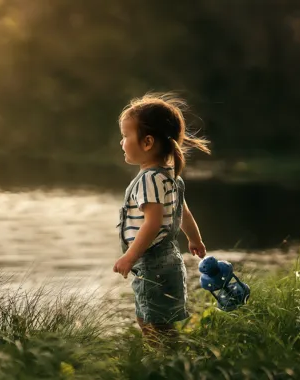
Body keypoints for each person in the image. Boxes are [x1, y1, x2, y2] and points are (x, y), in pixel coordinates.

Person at [113, 92, 210, 344]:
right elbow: (183, 213)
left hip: (152, 263)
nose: (121, 142)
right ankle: (169, 361)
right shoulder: (171, 178)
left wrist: (129, 256)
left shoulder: (149, 179)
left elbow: (153, 222)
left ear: (146, 142)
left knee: (151, 322)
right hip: (169, 259)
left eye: (125, 136)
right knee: (158, 320)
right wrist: (195, 239)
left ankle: (168, 364)